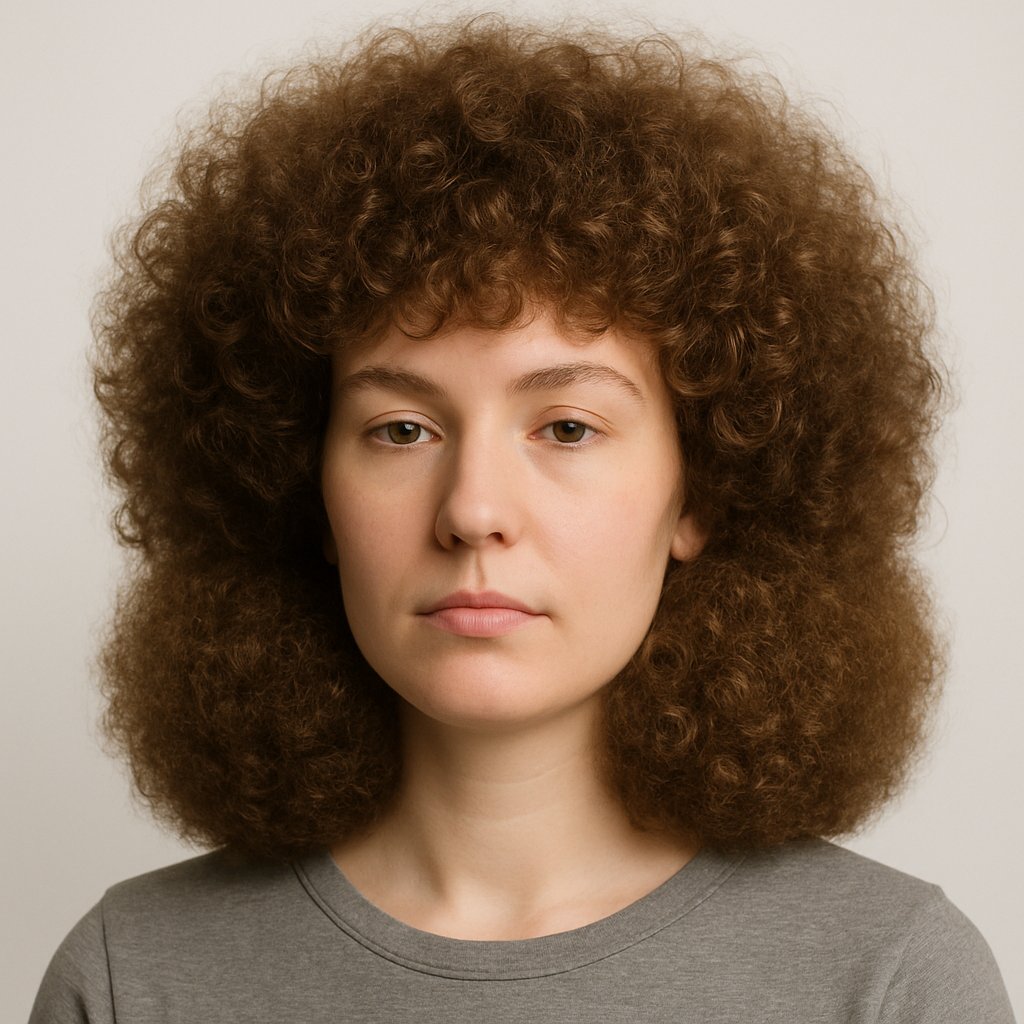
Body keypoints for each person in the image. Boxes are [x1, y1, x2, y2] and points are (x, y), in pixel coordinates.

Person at [29, 14, 1015, 1023]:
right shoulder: (130, 977)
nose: (472, 510)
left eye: (569, 427)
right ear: (301, 485)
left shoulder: (888, 978)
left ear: (705, 490)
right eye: (402, 428)